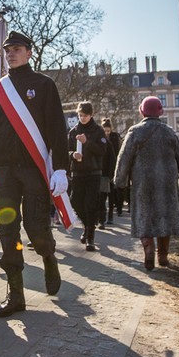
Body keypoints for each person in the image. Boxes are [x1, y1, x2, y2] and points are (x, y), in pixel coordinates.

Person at [0, 31, 69, 317]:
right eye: (8, 50)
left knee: (36, 227)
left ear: (29, 53)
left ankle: (48, 256)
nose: (11, 54)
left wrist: (62, 168)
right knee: (8, 232)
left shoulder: (43, 85)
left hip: (33, 169)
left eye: (17, 49)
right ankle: (16, 294)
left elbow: (57, 128)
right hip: (5, 171)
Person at [113, 96, 179, 271]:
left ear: (142, 111)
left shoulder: (134, 132)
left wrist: (120, 181)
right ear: (160, 111)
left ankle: (148, 249)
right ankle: (163, 255)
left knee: (144, 218)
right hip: (166, 183)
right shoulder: (169, 132)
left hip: (143, 183)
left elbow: (124, 158)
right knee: (164, 219)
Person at [68, 101, 107, 251]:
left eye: (85, 115)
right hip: (78, 172)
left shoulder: (98, 131)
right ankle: (87, 225)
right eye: (80, 115)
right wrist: (73, 155)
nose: (82, 118)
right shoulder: (73, 131)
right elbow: (68, 150)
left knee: (91, 204)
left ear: (91, 115)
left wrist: (87, 143)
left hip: (93, 172)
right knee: (75, 201)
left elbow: (102, 150)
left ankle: (90, 236)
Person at [101, 118, 123, 223]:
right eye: (104, 131)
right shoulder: (100, 139)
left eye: (108, 131)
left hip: (113, 167)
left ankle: (111, 216)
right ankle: (103, 216)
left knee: (112, 194)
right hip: (103, 169)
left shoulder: (115, 138)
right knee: (103, 194)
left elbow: (118, 152)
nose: (106, 133)